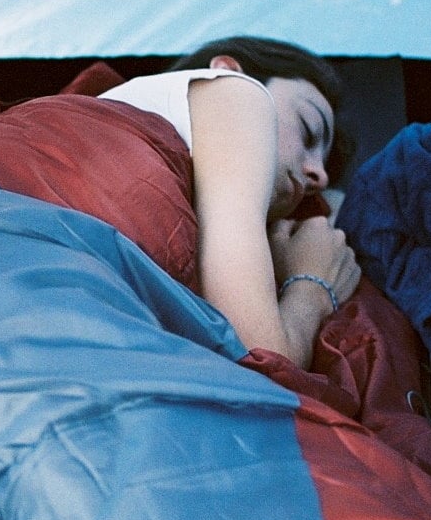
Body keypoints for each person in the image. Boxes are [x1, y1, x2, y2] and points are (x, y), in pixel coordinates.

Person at [96, 35, 361, 369]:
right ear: (227, 69)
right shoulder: (233, 92)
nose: (318, 175)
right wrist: (313, 286)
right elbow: (263, 358)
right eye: (308, 129)